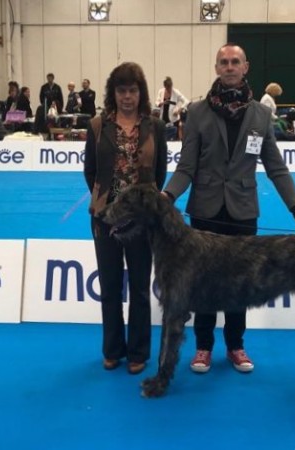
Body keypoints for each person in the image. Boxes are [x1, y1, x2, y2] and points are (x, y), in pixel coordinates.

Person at [162, 43, 295, 374]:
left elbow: (276, 168)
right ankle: (203, 347)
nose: (229, 67)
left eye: (235, 62)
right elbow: (186, 167)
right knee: (201, 284)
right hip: (204, 210)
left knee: (240, 285)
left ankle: (235, 346)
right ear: (216, 68)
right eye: (223, 62)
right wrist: (167, 197)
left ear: (245, 68)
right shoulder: (198, 112)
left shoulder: (261, 114)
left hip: (244, 211)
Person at [83, 62, 167, 375]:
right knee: (110, 286)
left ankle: (138, 352)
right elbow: (90, 171)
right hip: (104, 219)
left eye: (132, 90)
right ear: (113, 93)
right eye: (121, 90)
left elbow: (160, 171)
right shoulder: (97, 125)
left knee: (141, 289)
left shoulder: (155, 126)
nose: (127, 97)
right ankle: (112, 350)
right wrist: (105, 201)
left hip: (142, 221)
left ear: (141, 93)